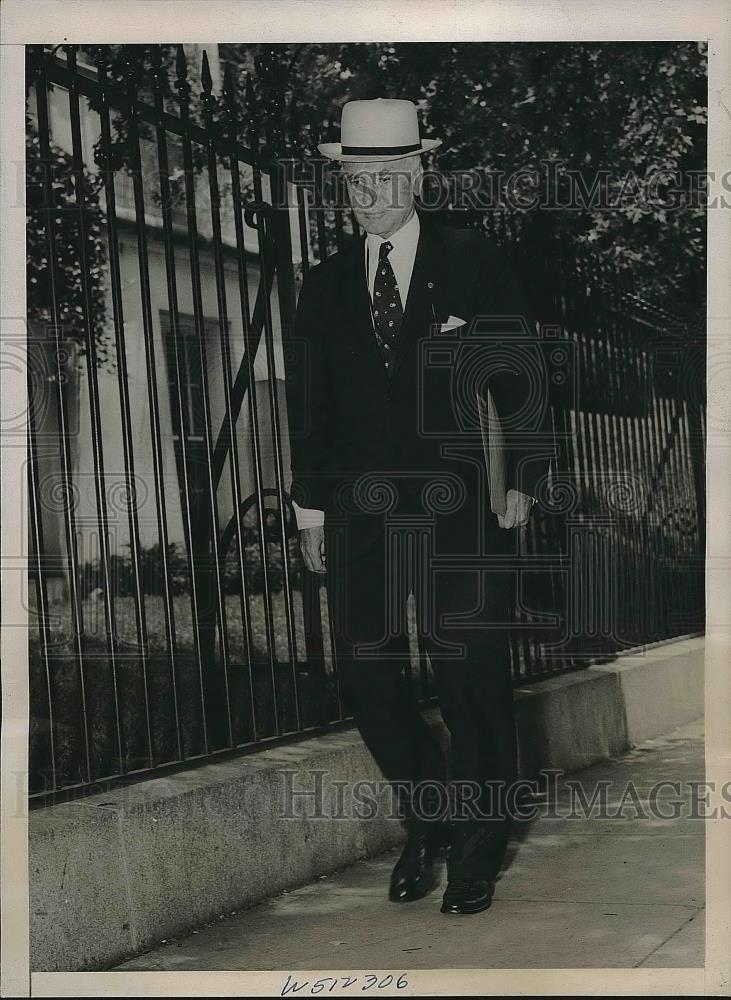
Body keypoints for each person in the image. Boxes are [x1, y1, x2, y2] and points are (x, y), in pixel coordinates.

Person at [284, 98, 552, 915]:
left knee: (469, 673)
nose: (375, 192)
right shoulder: (324, 284)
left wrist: (522, 480)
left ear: (419, 173)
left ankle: (477, 846)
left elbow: (521, 374)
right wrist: (309, 510)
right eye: (359, 179)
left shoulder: (473, 261)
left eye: (390, 174)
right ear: (343, 186)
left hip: (464, 503)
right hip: (361, 506)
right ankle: (428, 816)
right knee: (366, 674)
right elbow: (311, 404)